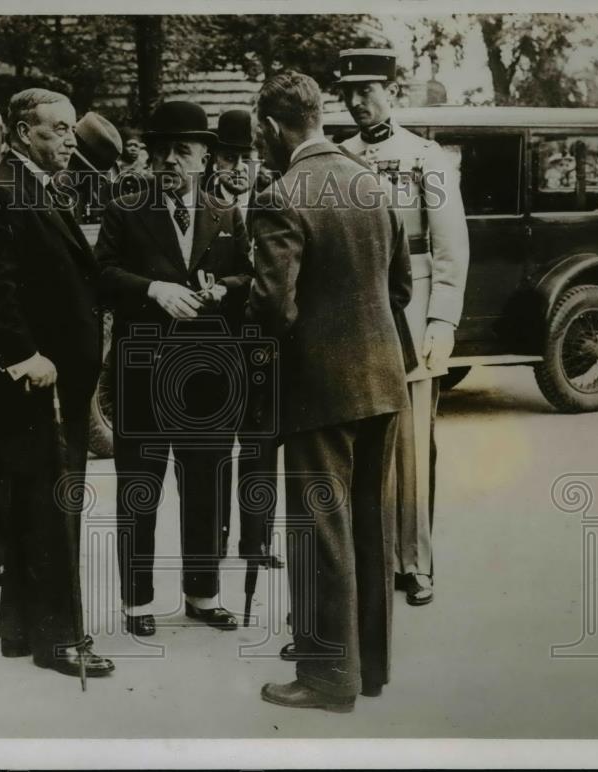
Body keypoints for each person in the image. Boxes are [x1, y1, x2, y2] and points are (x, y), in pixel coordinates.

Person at [249, 71, 413, 712]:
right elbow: (399, 287)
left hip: (319, 388)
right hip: (382, 378)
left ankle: (326, 679)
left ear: (269, 126)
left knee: (321, 529)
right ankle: (368, 671)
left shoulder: (283, 193)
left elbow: (272, 308)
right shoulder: (371, 182)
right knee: (370, 527)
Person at [0, 87, 114, 678]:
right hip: (34, 385)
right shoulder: (3, 191)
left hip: (55, 384)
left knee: (37, 508)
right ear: (24, 134)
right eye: (57, 130)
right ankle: (61, 641)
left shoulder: (35, 187)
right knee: (53, 508)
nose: (70, 140)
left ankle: (26, 633)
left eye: (72, 129)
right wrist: (25, 354)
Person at [96, 100, 253, 637]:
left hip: (207, 374)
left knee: (206, 484)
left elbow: (248, 279)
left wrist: (222, 289)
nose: (168, 161)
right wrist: (153, 290)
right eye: (160, 150)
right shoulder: (125, 204)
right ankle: (138, 603)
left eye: (181, 151)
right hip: (142, 369)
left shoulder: (225, 211)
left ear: (205, 156)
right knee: (140, 484)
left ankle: (203, 595)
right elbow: (101, 276)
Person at [337, 46, 469, 606]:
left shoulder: (425, 157)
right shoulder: (337, 158)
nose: (357, 100)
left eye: (368, 89)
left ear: (392, 90)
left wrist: (442, 319)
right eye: (349, 90)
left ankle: (414, 562)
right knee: (359, 441)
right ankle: (371, 557)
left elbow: (450, 247)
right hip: (352, 315)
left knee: (412, 443)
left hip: (410, 310)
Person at [207, 108, 284, 569]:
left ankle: (256, 543)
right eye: (228, 157)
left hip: (260, 335)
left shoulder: (272, 195)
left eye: (245, 156)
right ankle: (210, 541)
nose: (236, 167)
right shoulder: (196, 202)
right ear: (213, 157)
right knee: (214, 446)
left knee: (261, 442)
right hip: (215, 337)